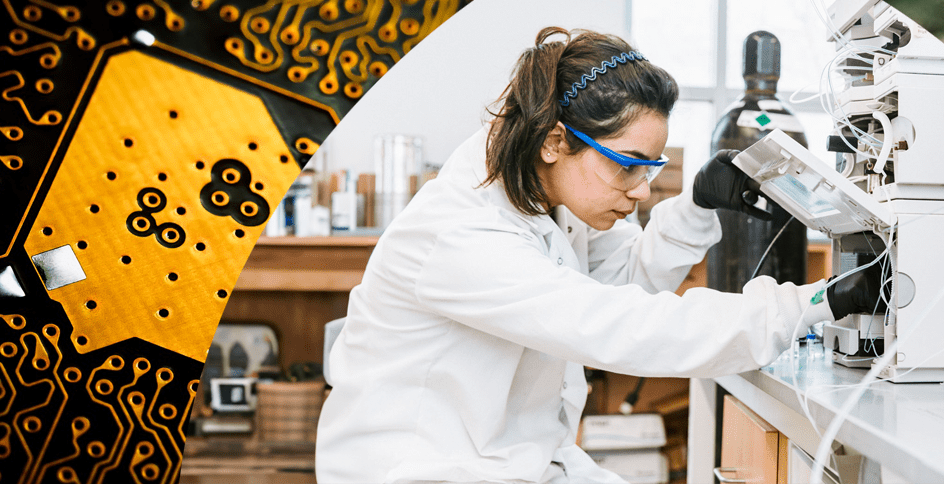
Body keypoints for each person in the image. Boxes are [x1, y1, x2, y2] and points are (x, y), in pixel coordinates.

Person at [316, 27, 883, 483]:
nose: (640, 191)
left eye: (650, 168)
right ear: (555, 140)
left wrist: (695, 205)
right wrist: (814, 301)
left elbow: (623, 285)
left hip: (516, 461)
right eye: (627, 165)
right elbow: (622, 327)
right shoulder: (462, 232)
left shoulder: (549, 193)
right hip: (421, 470)